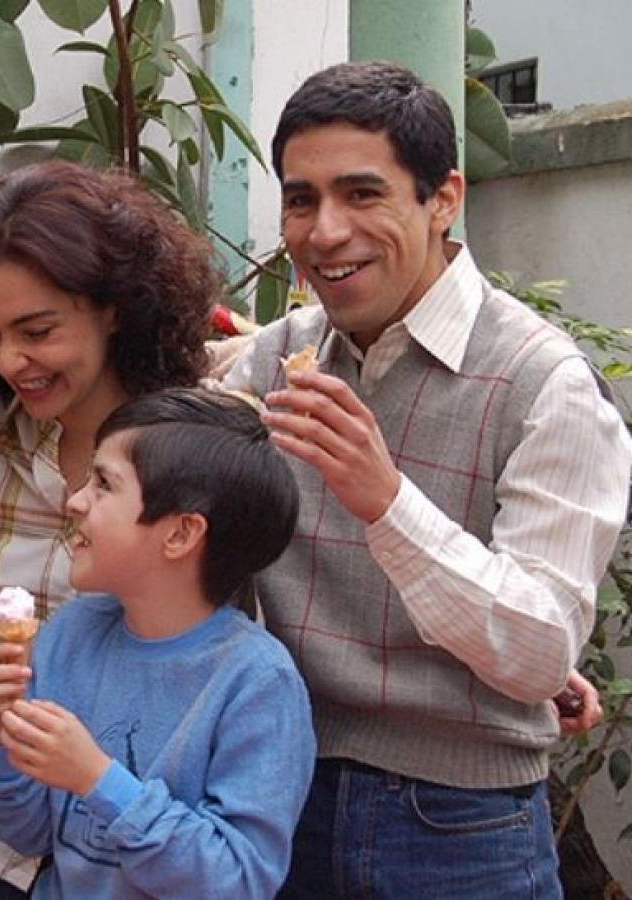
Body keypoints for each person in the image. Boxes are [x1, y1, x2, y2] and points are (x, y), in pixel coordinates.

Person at [223, 61, 632, 898]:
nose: (325, 231)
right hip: (280, 795)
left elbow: (539, 653)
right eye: (301, 199)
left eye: (362, 194)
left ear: (444, 198)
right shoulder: (275, 359)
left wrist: (387, 503)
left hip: (460, 827)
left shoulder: (542, 383)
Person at [0, 159, 219, 896]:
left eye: (38, 330)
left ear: (114, 308)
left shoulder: (209, 451)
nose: (10, 360)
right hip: (4, 850)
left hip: (152, 861)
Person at [0, 387, 315, 899]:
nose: (75, 499)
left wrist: (97, 779)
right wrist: (1, 742)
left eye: (104, 484)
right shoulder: (72, 631)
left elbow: (238, 880)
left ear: (180, 534)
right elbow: (28, 833)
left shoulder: (258, 683)